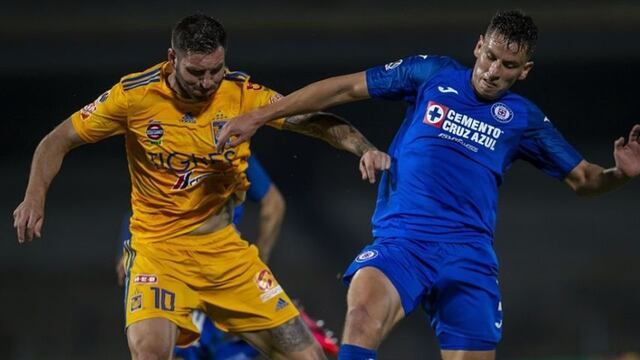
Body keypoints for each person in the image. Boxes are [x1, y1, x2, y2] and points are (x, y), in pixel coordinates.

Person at [215, 9, 640, 360]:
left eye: (508, 65)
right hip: (403, 243)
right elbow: (344, 88)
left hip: (468, 255)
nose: (493, 71)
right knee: (361, 317)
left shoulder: (524, 119)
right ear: (478, 46)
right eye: (489, 56)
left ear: (524, 71)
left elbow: (584, 180)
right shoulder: (432, 74)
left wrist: (619, 174)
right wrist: (261, 115)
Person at [13, 14, 387, 360]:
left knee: (309, 357)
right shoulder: (133, 96)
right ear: (172, 57)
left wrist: (364, 148)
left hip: (226, 255)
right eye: (196, 72)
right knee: (151, 352)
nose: (208, 83)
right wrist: (34, 197)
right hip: (159, 253)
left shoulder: (242, 95)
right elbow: (57, 139)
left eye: (216, 70)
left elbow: (314, 120)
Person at [115, 155, 339, 359]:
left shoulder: (228, 147)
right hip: (182, 265)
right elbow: (273, 204)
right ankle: (284, 328)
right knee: (187, 350)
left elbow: (273, 203)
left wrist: (256, 268)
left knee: (184, 351)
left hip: (212, 264)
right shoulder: (176, 142)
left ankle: (289, 326)